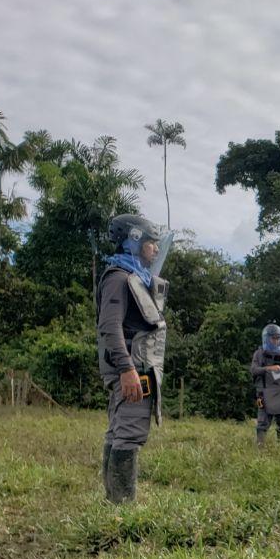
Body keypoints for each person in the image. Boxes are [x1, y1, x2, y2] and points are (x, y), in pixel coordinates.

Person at [97, 213, 172, 503]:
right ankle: (122, 506)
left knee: (118, 431)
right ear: (134, 241)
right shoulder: (118, 278)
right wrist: (127, 369)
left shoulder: (135, 276)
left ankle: (112, 502)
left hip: (135, 366)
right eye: (151, 242)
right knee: (129, 433)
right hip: (132, 368)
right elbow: (110, 327)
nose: (155, 248)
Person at [251, 323, 280, 445]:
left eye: (278, 338)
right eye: (273, 338)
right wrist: (269, 368)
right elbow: (254, 370)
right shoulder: (259, 354)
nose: (276, 341)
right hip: (264, 392)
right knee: (263, 423)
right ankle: (260, 447)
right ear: (266, 338)